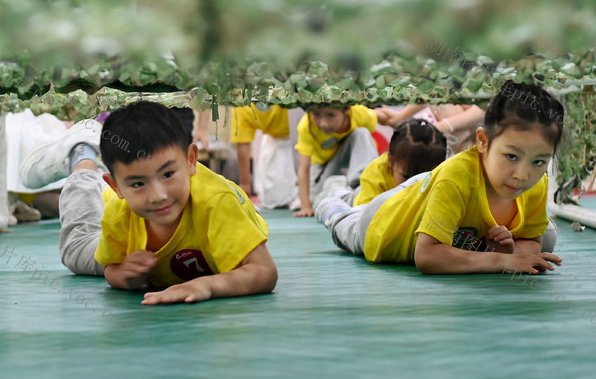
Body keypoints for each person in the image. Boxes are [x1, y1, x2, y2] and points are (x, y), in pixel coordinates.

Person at [20, 101, 278, 305]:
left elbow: (264, 272)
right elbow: (111, 269)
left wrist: (206, 285)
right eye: (138, 183)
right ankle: (83, 156)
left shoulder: (216, 203)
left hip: (216, 210)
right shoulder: (118, 212)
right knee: (76, 253)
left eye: (168, 174)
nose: (158, 195)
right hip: (126, 212)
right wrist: (124, 276)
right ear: (117, 186)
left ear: (190, 160)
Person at [314, 81, 562, 275]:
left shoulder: (536, 183)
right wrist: (503, 260)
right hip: (379, 225)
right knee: (340, 218)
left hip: (417, 196)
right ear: (483, 142)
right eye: (511, 156)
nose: (522, 174)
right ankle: (332, 197)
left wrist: (508, 250)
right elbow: (428, 257)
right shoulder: (458, 177)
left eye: (539, 161)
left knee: (549, 236)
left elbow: (532, 243)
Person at [314, 118, 447, 209]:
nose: (414, 186)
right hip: (358, 196)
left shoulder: (444, 175)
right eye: (406, 177)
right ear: (391, 161)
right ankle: (335, 184)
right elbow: (362, 215)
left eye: (424, 179)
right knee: (335, 197)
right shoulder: (375, 174)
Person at [294, 104, 378, 217]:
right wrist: (305, 206)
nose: (323, 123)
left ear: (347, 110)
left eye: (331, 115)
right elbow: (304, 168)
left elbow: (384, 116)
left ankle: (362, 187)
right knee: (317, 201)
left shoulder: (361, 114)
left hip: (348, 161)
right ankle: (345, 194)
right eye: (316, 115)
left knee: (361, 133)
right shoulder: (306, 126)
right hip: (324, 166)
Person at [231, 103, 297, 208]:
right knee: (273, 199)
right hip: (275, 141)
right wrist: (245, 184)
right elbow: (243, 143)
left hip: (307, 137)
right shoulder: (242, 100)